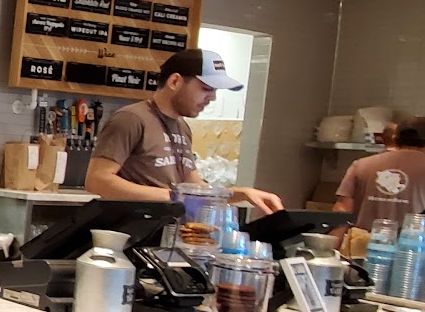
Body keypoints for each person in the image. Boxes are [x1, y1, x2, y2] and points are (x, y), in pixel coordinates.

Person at [85, 48, 284, 213]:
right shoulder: (131, 118)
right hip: (132, 237)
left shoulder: (182, 127)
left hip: (169, 235)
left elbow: (194, 186)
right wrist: (173, 197)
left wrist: (241, 194)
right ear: (174, 82)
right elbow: (97, 180)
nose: (212, 98)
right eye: (206, 88)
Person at [334, 115, 425, 230]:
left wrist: (334, 240)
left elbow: (342, 209)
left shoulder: (361, 165)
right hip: (416, 239)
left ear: (396, 138)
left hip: (362, 239)